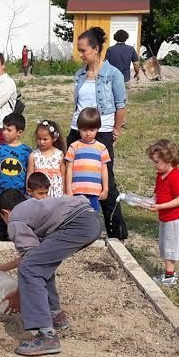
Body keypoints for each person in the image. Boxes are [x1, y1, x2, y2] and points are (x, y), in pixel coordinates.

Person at [0, 190, 102, 356]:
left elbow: (28, 263)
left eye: (3, 219)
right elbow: (34, 256)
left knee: (30, 268)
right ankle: (54, 314)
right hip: (91, 218)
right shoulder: (33, 209)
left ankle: (47, 336)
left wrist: (19, 294)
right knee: (40, 263)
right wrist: (4, 267)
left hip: (77, 224)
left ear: (5, 213)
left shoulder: (15, 219)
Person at [69, 26, 128, 240]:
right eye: (79, 50)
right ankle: (78, 226)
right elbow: (78, 104)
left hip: (101, 132)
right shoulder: (80, 74)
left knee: (105, 181)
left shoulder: (113, 74)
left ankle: (116, 231)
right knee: (76, 177)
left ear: (96, 49)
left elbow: (121, 105)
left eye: (84, 50)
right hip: (77, 130)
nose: (81, 54)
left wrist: (115, 131)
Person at [146, 139, 179, 287]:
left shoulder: (177, 178)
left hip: (175, 218)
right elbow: (158, 193)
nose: (155, 165)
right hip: (165, 216)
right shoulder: (160, 175)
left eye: (157, 162)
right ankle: (168, 273)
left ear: (168, 159)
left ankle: (170, 276)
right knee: (164, 244)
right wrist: (151, 202)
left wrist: (160, 206)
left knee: (171, 245)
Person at [0, 112, 31, 241]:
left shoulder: (26, 151)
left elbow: (29, 170)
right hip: (3, 189)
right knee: (2, 214)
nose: (4, 132)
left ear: (19, 132)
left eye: (9, 130)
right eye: (3, 129)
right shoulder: (0, 149)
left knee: (19, 214)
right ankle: (2, 236)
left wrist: (28, 188)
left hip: (19, 191)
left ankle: (19, 236)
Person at [64, 108, 110, 212]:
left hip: (94, 192)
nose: (88, 133)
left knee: (93, 218)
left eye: (92, 130)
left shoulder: (102, 148)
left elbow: (104, 170)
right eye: (84, 130)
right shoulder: (74, 147)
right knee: (77, 217)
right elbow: (69, 169)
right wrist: (69, 189)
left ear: (98, 129)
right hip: (77, 191)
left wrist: (105, 189)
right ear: (79, 129)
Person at [28, 120, 66, 198]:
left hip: (56, 192)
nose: (42, 142)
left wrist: (64, 191)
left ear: (54, 138)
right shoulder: (34, 155)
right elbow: (30, 175)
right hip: (39, 192)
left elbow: (63, 175)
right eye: (39, 139)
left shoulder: (59, 154)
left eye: (45, 139)